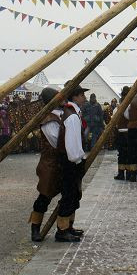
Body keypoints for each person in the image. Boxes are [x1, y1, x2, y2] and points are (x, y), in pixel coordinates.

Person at [28, 87, 64, 242]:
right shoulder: (48, 119)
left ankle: (64, 227)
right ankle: (35, 228)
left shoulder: (61, 115)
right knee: (45, 195)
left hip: (62, 161)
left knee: (69, 195)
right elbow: (57, 141)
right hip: (50, 162)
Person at [55, 85, 87, 243]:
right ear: (75, 97)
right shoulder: (72, 116)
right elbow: (72, 143)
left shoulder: (73, 113)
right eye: (82, 95)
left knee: (73, 194)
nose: (84, 98)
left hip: (71, 160)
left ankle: (68, 227)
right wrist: (77, 159)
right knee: (68, 195)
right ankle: (62, 231)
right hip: (70, 161)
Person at [125, 89, 137, 182]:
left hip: (132, 128)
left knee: (132, 151)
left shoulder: (131, 101)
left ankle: (133, 174)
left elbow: (126, 115)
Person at [114, 88, 129, 180]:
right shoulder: (130, 106)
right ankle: (129, 173)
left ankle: (121, 173)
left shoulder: (118, 108)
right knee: (128, 154)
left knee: (121, 154)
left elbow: (114, 120)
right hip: (128, 132)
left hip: (120, 132)